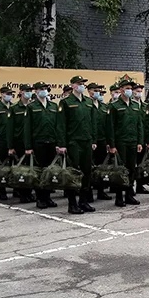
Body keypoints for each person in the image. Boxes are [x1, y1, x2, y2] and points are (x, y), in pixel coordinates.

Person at [57, 75, 97, 214]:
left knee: (87, 172)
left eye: (83, 84)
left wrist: (93, 140)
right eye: (79, 83)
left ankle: (84, 201)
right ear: (73, 85)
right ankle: (72, 203)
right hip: (73, 141)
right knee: (72, 173)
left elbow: (92, 123)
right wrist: (62, 144)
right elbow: (61, 125)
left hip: (86, 141)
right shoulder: (66, 102)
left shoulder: (88, 102)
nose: (82, 86)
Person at [106, 79, 143, 207]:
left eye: (130, 88)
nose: (129, 91)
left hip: (132, 141)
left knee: (131, 169)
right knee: (121, 170)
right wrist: (112, 145)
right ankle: (119, 197)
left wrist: (140, 141)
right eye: (127, 88)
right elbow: (110, 127)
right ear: (121, 89)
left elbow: (139, 125)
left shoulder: (135, 105)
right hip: (120, 142)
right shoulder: (114, 106)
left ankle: (128, 195)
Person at [24, 81, 58, 209]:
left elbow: (57, 126)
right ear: (36, 91)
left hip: (51, 142)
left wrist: (58, 143)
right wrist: (28, 147)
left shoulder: (53, 106)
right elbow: (27, 128)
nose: (44, 90)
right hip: (38, 143)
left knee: (50, 171)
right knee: (39, 172)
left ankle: (48, 197)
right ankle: (40, 198)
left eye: (45, 88)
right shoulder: (31, 107)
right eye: (41, 88)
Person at [7, 84, 36, 203]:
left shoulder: (32, 107)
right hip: (19, 142)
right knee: (22, 170)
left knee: (31, 169)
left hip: (31, 142)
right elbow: (9, 129)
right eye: (26, 91)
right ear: (21, 92)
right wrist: (10, 146)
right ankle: (23, 194)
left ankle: (29, 192)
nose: (28, 93)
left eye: (30, 91)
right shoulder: (14, 108)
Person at [87, 82, 111, 202]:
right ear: (89, 91)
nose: (97, 92)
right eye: (95, 90)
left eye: (98, 90)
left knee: (102, 167)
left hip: (102, 140)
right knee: (90, 167)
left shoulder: (103, 107)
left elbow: (107, 125)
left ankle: (101, 191)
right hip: (91, 141)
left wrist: (108, 142)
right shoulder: (86, 104)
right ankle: (89, 192)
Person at [131, 82, 149, 194]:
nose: (139, 93)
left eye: (140, 91)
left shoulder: (144, 107)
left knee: (141, 164)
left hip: (142, 139)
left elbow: (147, 125)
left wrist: (148, 141)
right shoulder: (131, 105)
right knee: (131, 164)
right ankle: (130, 186)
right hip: (132, 139)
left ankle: (140, 185)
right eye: (136, 91)